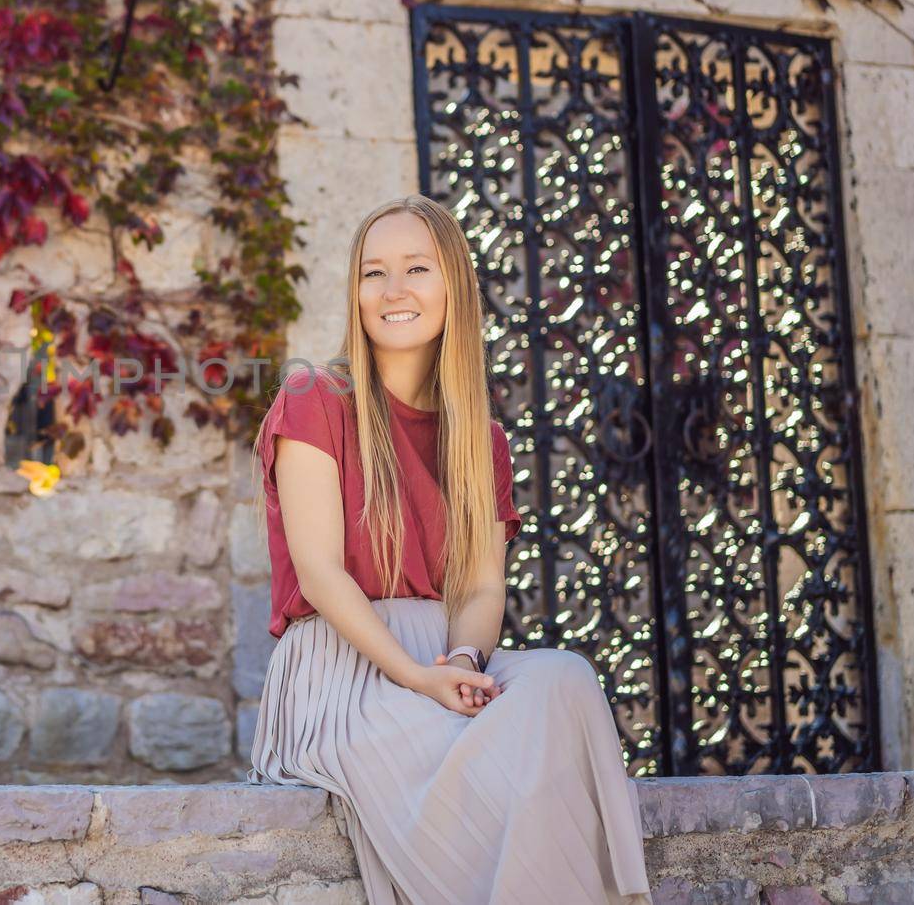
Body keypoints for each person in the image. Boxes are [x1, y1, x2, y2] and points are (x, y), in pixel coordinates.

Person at [244, 196, 653, 905]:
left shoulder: (481, 438)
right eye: (374, 272)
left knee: (564, 679)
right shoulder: (315, 396)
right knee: (507, 767)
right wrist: (415, 676)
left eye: (415, 268)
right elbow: (319, 570)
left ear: (453, 286)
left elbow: (480, 590)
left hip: (441, 659)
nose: (393, 290)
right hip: (344, 669)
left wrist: (462, 661)